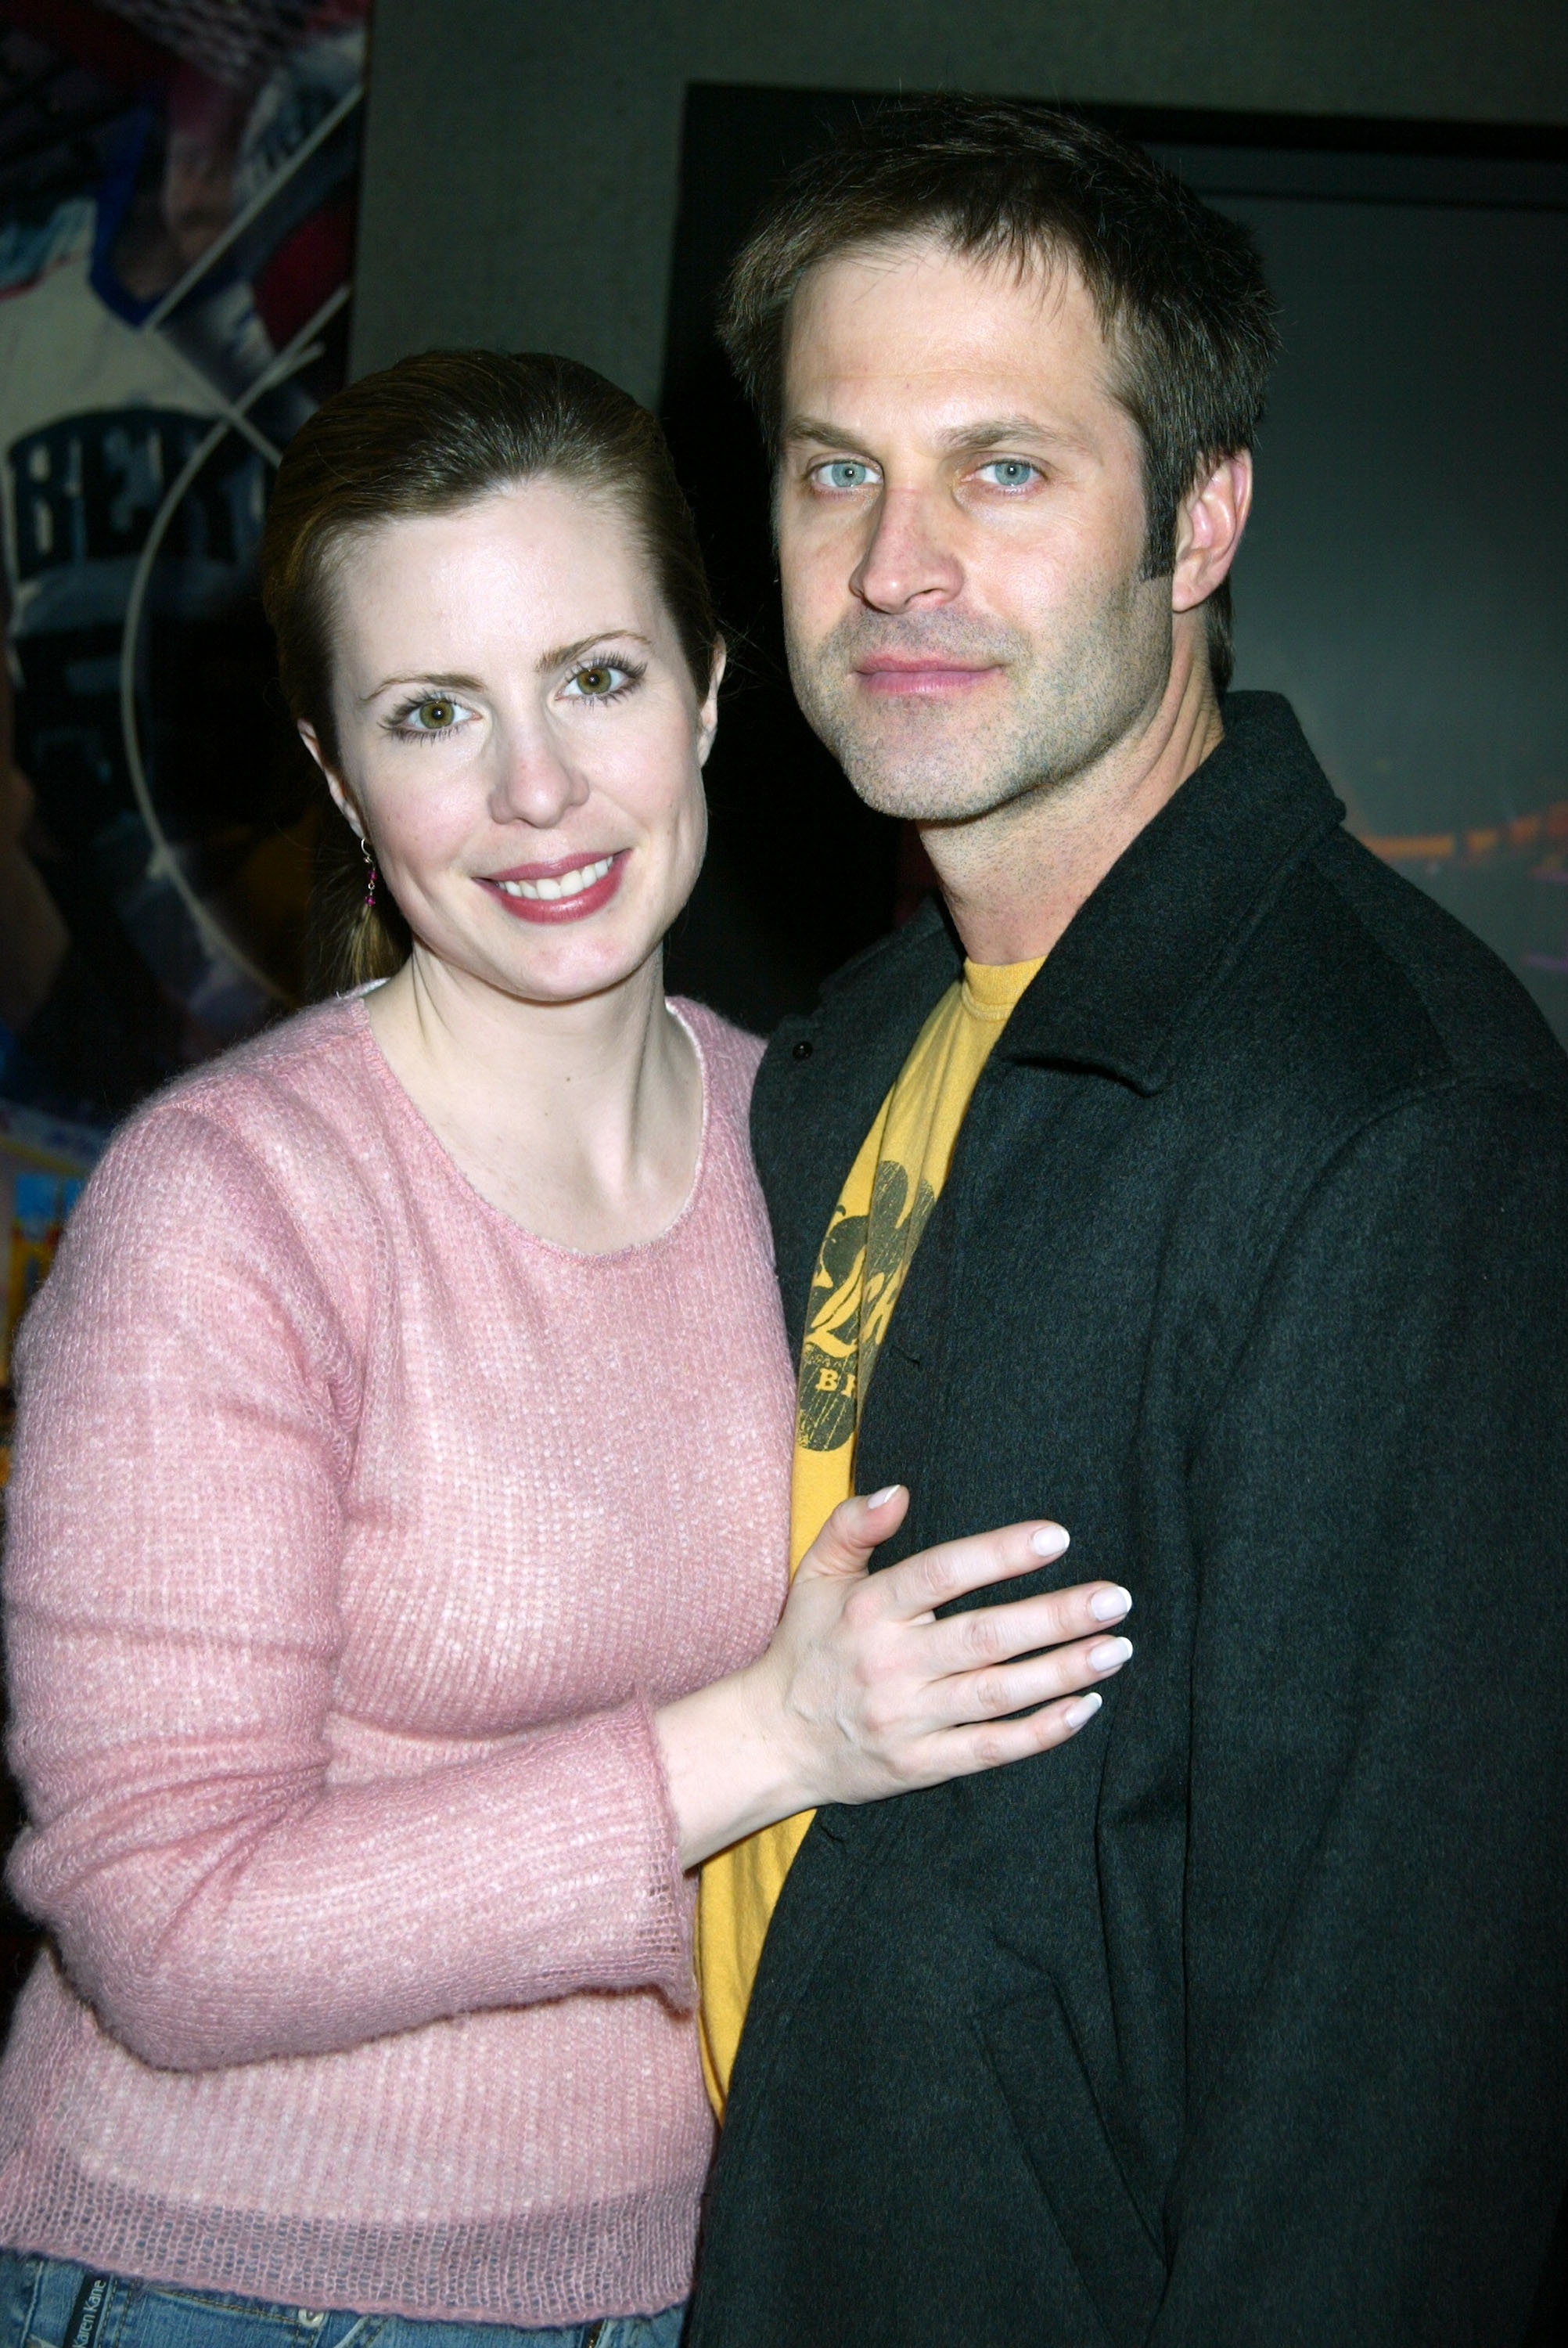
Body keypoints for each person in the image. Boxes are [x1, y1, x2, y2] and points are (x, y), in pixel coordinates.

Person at [0, 352, 1135, 2348]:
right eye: (437, 714)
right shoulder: (234, 1212)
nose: (535, 793)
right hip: (237, 2277)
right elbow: (162, 1928)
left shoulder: (823, 1142)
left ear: (705, 688)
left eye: (595, 679)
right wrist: (766, 1739)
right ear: (346, 779)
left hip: (702, 2260)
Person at [687, 100, 1568, 2346]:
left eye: (1003, 467)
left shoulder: (1394, 1123)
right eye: (830, 468)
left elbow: (1400, 2086)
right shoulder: (838, 1055)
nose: (893, 564)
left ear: (1198, 518)